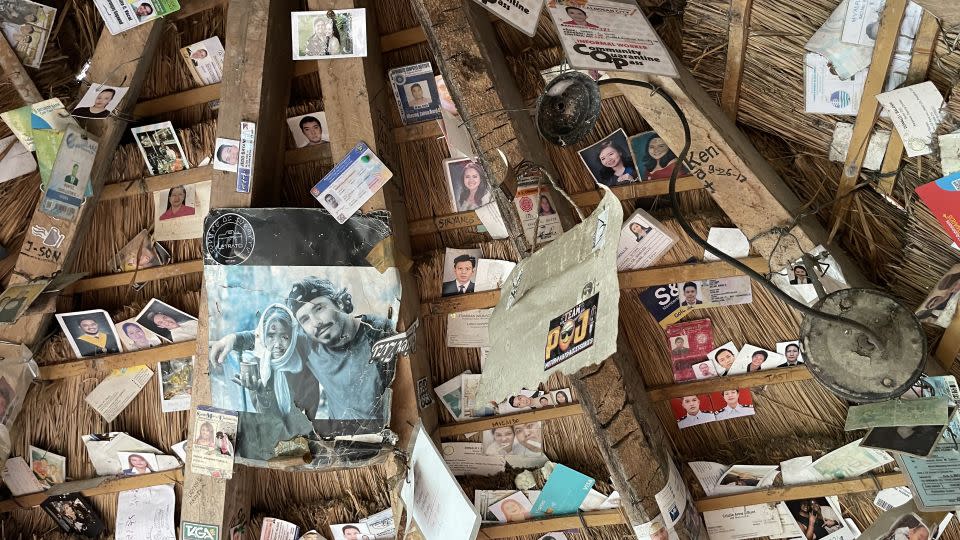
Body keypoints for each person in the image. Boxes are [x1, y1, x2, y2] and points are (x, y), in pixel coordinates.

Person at [210, 277, 397, 431]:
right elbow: (267, 336)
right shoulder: (309, 343)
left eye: (319, 308)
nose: (315, 322)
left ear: (338, 302)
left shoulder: (380, 333)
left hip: (381, 435)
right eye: (305, 319)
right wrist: (232, 340)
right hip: (340, 439)